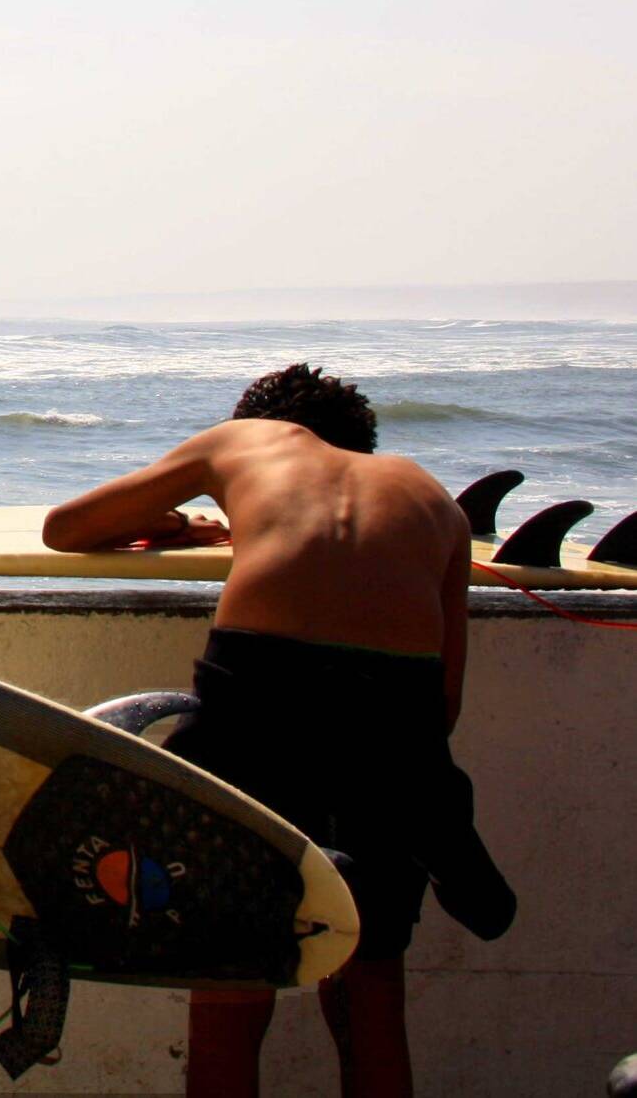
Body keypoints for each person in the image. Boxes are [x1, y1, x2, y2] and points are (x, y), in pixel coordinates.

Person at [43, 363, 514, 1098]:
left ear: (272, 422)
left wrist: (173, 526)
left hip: (259, 694)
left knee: (230, 970)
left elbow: (66, 528)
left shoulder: (249, 440)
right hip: (395, 721)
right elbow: (442, 703)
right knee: (370, 979)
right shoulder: (433, 499)